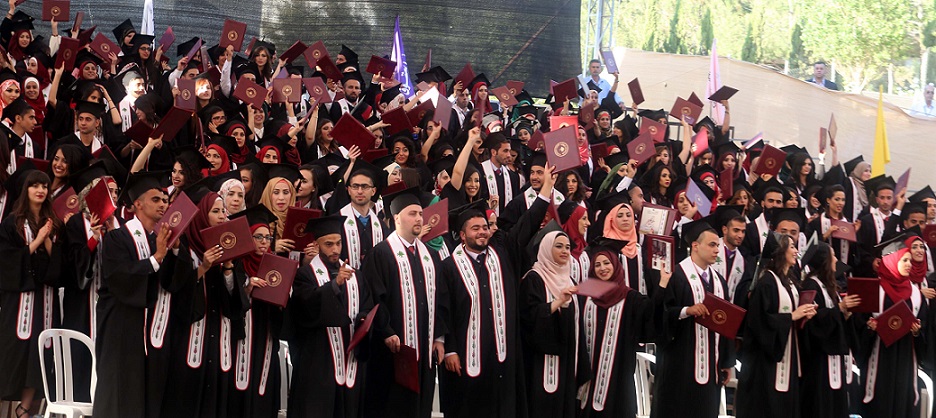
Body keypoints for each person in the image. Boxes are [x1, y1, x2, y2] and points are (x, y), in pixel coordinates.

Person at [95, 171, 181, 417]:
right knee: (118, 388)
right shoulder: (118, 238)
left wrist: (174, 252)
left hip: (148, 330)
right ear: (137, 204)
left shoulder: (159, 240)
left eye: (164, 200)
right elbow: (119, 277)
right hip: (120, 325)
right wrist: (156, 258)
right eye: (155, 199)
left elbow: (170, 283)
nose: (163, 204)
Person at [436, 204, 526, 417]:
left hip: (500, 352)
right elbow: (443, 310)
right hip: (466, 353)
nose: (482, 232)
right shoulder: (449, 267)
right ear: (462, 235)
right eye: (475, 228)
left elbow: (527, 225)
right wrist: (450, 350)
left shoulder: (501, 258)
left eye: (485, 227)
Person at [361, 187, 442, 418]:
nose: (419, 219)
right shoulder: (381, 254)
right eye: (412, 214)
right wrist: (386, 331)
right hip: (393, 349)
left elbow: (440, 299)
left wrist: (439, 337)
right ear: (396, 218)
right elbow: (374, 298)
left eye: (420, 214)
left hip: (424, 348)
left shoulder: (429, 255)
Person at [289, 215, 374, 418]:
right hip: (319, 360)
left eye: (338, 243)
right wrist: (334, 285)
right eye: (329, 244)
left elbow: (367, 305)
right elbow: (305, 308)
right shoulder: (305, 275)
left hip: (349, 357)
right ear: (316, 246)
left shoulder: (356, 275)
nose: (335, 249)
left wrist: (363, 319)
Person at [577, 239, 670, 417]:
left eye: (607, 263)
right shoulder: (584, 294)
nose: (602, 268)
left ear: (616, 265)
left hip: (618, 372)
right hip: (587, 370)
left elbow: (651, 316)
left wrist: (662, 284)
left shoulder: (630, 297)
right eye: (597, 265)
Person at [651, 221, 735, 418]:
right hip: (680, 362)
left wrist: (726, 361)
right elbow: (659, 314)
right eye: (712, 245)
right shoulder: (675, 275)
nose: (717, 250)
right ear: (695, 246)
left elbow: (725, 323)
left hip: (711, 363)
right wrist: (686, 311)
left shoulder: (719, 281)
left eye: (718, 245)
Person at [0, 169, 64, 418]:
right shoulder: (11, 223)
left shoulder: (54, 223)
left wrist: (47, 241)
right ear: (25, 189)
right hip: (18, 302)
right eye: (35, 185)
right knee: (13, 353)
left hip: (44, 300)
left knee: (39, 355)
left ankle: (24, 409)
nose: (40, 190)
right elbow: (6, 262)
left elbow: (60, 266)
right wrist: (37, 241)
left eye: (45, 186)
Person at [735, 232, 817, 418]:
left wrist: (804, 314)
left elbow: (792, 316)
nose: (796, 251)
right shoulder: (766, 282)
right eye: (792, 247)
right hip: (767, 361)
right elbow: (758, 322)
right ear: (780, 251)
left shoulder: (790, 282)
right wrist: (792, 316)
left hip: (788, 352)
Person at [518, 226, 590, 418]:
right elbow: (527, 317)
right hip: (539, 361)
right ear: (546, 248)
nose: (564, 251)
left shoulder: (570, 280)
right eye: (558, 246)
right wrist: (558, 302)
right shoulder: (533, 278)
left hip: (566, 358)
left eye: (567, 247)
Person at [856, 240, 926, 417]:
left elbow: (925, 328)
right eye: (904, 260)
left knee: (902, 401)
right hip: (879, 355)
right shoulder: (872, 289)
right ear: (890, 261)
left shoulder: (916, 294)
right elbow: (858, 326)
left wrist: (917, 331)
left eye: (910, 261)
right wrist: (869, 329)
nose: (909, 264)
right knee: (880, 402)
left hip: (905, 356)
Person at [799, 241, 861, 418]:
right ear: (824, 260)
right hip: (818, 362)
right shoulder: (811, 285)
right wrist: (839, 309)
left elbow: (834, 316)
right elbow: (811, 321)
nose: (836, 260)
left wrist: (845, 314)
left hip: (834, 357)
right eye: (832, 256)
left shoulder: (827, 286)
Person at [480, 132, 520, 215]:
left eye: (509, 151)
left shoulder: (513, 176)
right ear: (494, 152)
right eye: (505, 151)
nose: (509, 155)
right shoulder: (480, 172)